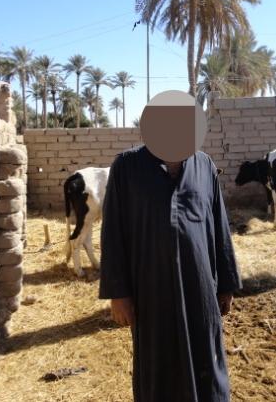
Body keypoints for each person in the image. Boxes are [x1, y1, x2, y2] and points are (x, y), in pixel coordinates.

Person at [99, 144, 241, 402]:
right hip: (151, 291)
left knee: (205, 361)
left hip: (200, 289)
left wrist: (226, 284)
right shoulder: (127, 167)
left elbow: (219, 225)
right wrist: (118, 294)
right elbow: (112, 232)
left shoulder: (204, 166)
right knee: (158, 365)